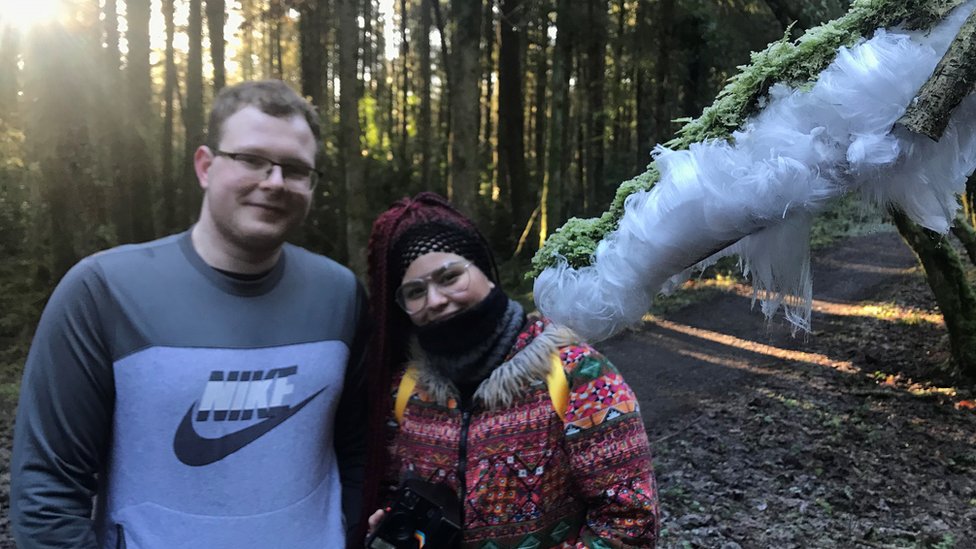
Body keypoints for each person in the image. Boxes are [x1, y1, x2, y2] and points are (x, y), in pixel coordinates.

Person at [10, 80, 369, 548]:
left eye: (296, 169)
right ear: (205, 166)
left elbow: (362, 452)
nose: (275, 182)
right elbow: (47, 491)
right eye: (252, 159)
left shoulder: (340, 294)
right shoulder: (104, 291)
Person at [361, 192, 659, 548]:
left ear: (484, 271)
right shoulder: (406, 390)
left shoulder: (578, 373)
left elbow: (631, 521)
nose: (436, 300)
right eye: (414, 291)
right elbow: (391, 490)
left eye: (450, 276)